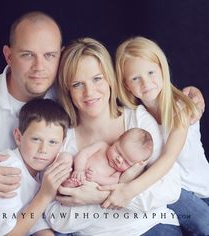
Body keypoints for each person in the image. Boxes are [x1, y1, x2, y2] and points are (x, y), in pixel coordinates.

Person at [45, 37, 182, 235]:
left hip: (150, 227)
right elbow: (55, 217)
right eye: (77, 84)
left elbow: (170, 188)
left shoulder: (137, 120)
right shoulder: (62, 140)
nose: (89, 92)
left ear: (110, 78)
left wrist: (98, 197)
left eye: (97, 78)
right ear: (67, 91)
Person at [115, 36, 209, 235]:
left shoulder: (180, 108)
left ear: (162, 69)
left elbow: (168, 157)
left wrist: (129, 191)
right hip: (165, 191)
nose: (146, 83)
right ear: (126, 84)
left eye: (151, 72)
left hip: (200, 191)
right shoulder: (135, 117)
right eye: (135, 78)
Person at [0, 11, 62, 198]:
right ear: (8, 56)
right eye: (27, 55)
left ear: (60, 56)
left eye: (49, 55)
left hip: (52, 217)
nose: (39, 66)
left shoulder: (68, 95)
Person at [0, 98, 71, 236]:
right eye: (36, 139)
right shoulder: (8, 170)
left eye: (53, 142)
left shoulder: (40, 170)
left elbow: (30, 215)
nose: (43, 149)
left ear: (62, 144)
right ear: (18, 137)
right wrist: (45, 194)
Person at [63, 128, 153, 187]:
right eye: (118, 151)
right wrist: (79, 169)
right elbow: (83, 154)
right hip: (75, 170)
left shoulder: (118, 172)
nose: (119, 160)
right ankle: (65, 182)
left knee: (91, 187)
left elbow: (113, 181)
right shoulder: (102, 146)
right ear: (117, 140)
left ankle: (70, 186)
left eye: (126, 162)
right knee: (65, 157)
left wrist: (96, 178)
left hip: (88, 185)